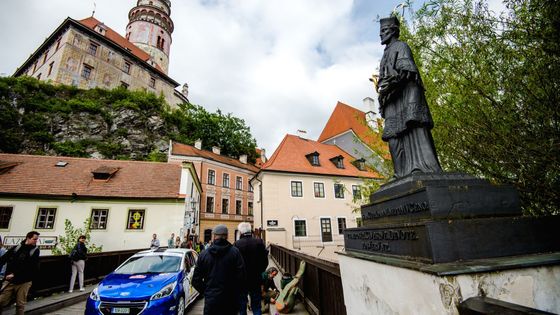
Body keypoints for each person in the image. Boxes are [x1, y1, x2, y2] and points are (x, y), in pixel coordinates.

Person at [377, 16, 442, 178]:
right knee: (392, 134)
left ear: (393, 31)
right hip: (391, 99)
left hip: (406, 96)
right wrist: (383, 86)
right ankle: (400, 172)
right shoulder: (385, 54)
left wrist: (389, 83)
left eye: (384, 31)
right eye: (380, 31)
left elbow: (407, 71)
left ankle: (420, 166)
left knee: (413, 129)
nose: (380, 35)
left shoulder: (401, 46)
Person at [192, 225, 245, 315]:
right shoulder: (235, 252)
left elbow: (195, 280)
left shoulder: (204, 254)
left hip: (211, 301)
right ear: (227, 236)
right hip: (230, 300)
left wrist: (207, 291)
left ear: (214, 236)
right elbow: (242, 277)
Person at [0, 231, 40, 315]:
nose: (36, 241)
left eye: (37, 239)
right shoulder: (17, 248)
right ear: (28, 238)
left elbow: (30, 267)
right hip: (10, 280)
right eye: (35, 239)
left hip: (24, 281)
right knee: (2, 300)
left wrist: (14, 274)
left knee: (20, 304)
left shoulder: (35, 251)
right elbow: (3, 259)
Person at [234, 222, 268, 315]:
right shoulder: (259, 242)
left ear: (241, 232)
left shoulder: (237, 244)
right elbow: (265, 261)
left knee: (242, 305)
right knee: (256, 305)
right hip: (256, 278)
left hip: (241, 279)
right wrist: (260, 271)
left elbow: (234, 263)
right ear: (250, 231)